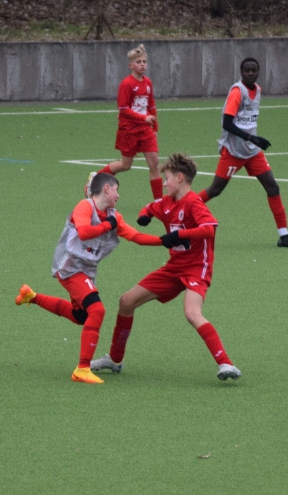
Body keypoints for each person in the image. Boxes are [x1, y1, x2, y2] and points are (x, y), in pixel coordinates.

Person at [91, 153, 242, 381]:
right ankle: (114, 359)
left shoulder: (193, 202)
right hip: (173, 268)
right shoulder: (166, 203)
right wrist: (144, 216)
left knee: (192, 313)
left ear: (180, 178)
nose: (164, 183)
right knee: (126, 302)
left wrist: (179, 235)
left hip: (196, 268)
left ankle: (226, 364)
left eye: (167, 178)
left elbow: (209, 229)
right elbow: (150, 207)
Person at [15, 172, 165, 384]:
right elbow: (84, 232)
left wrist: (166, 240)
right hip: (70, 268)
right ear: (106, 189)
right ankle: (82, 368)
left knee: (81, 316)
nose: (118, 195)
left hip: (86, 271)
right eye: (116, 190)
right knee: (97, 310)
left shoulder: (114, 216)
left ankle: (31, 297)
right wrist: (108, 225)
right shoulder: (85, 206)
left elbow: (136, 236)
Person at [197, 56, 288, 248]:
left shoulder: (258, 90)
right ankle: (180, 209)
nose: (250, 73)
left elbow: (247, 120)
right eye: (246, 70)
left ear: (258, 72)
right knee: (215, 190)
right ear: (241, 72)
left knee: (272, 187)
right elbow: (227, 123)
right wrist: (251, 138)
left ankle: (284, 236)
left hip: (252, 152)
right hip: (233, 151)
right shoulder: (237, 92)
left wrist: (252, 141)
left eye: (253, 70)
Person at [90, 44, 162, 200]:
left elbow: (151, 105)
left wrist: (154, 128)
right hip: (129, 130)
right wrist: (143, 118)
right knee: (125, 165)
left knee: (154, 162)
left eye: (144, 62)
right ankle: (95, 178)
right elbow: (123, 108)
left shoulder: (148, 83)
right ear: (131, 65)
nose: (142, 65)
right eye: (138, 62)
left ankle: (159, 201)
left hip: (145, 129)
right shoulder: (126, 84)